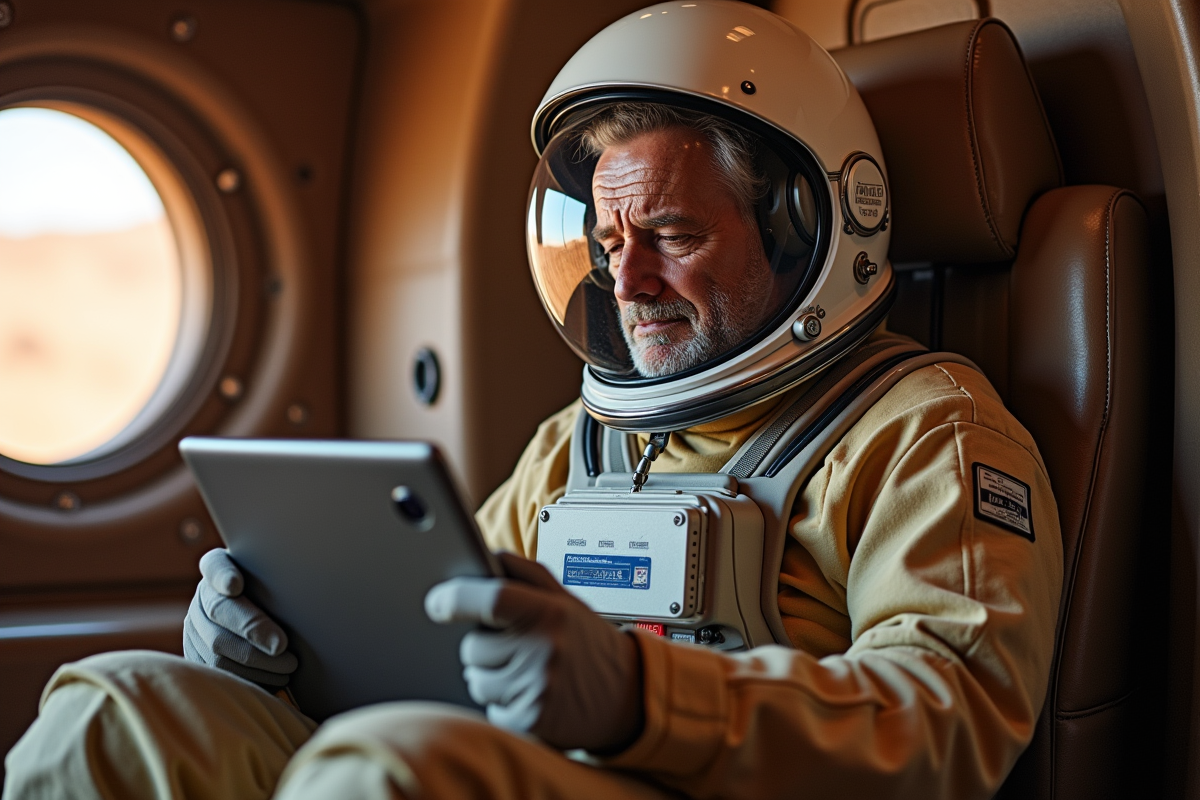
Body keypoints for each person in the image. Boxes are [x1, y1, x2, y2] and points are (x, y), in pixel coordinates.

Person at [2, 3, 1062, 799]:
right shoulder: (581, 446)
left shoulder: (922, 428)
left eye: (675, 237)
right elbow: (433, 637)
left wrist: (643, 696)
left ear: (799, 232)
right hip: (533, 766)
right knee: (115, 705)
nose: (626, 281)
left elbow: (950, 717)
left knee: (389, 767)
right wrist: (272, 641)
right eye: (608, 244)